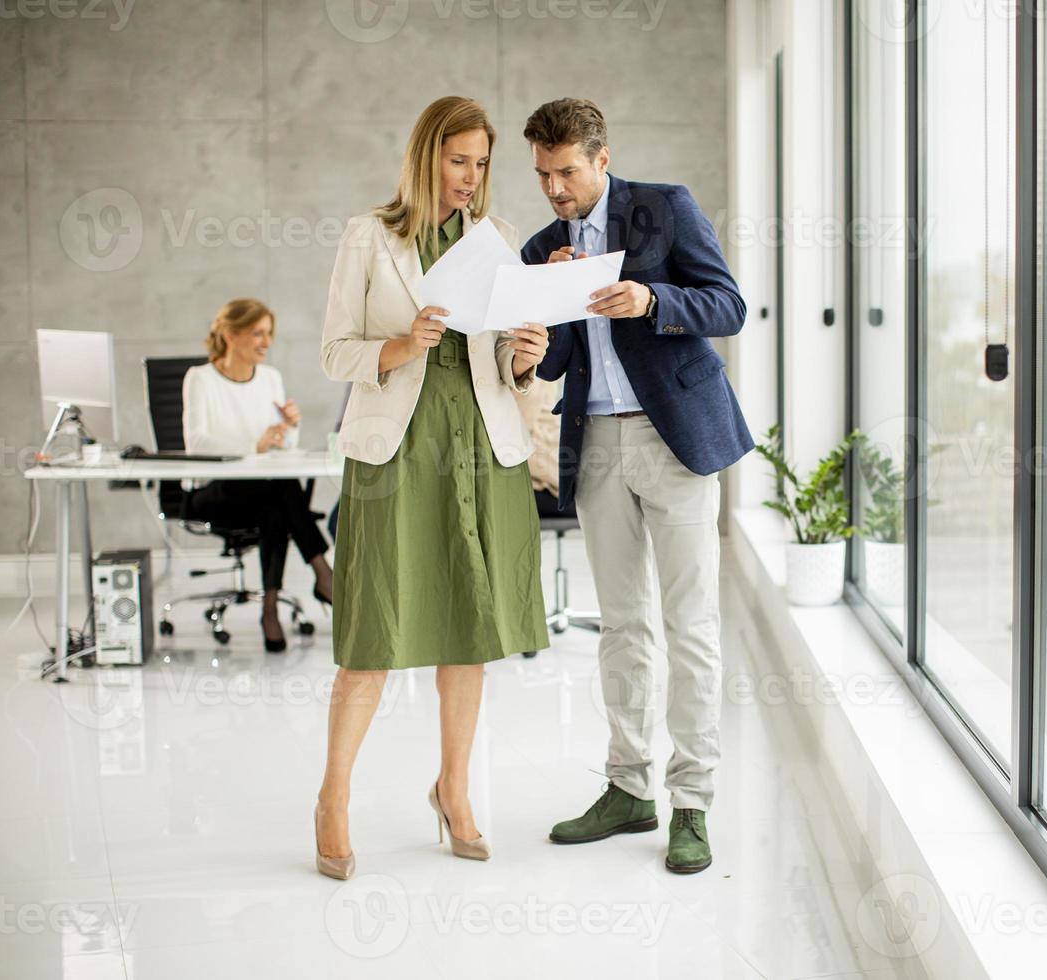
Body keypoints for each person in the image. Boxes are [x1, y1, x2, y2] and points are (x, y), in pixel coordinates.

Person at [313, 95, 551, 880]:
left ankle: (454, 790)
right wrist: (397, 345)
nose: (471, 178)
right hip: (397, 453)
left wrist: (524, 353)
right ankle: (333, 800)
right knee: (373, 633)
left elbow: (504, 370)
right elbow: (332, 352)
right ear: (425, 158)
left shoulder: (498, 240)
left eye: (482, 164)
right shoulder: (371, 237)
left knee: (469, 631)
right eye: (459, 161)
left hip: (481, 450)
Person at [521, 98, 752, 874]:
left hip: (674, 436)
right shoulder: (541, 247)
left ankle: (693, 802)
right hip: (596, 442)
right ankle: (628, 787)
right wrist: (533, 332)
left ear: (602, 158)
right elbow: (548, 362)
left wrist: (654, 300)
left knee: (690, 625)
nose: (555, 190)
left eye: (567, 172)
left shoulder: (664, 209)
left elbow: (729, 306)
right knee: (622, 625)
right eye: (543, 175)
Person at [181, 297, 333, 653]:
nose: (266, 342)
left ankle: (270, 607)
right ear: (230, 335)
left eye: (269, 334)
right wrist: (256, 443)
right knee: (282, 493)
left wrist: (289, 427)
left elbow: (283, 446)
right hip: (211, 493)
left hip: (263, 495)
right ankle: (323, 574)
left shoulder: (270, 379)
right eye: (257, 333)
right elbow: (196, 442)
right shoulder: (200, 379)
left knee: (275, 506)